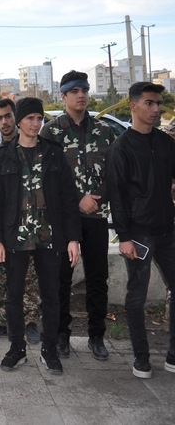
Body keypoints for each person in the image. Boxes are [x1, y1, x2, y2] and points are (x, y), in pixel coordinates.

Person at [0, 97, 81, 375]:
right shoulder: (3, 156)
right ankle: (17, 348)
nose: (36, 123)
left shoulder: (54, 153)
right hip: (15, 239)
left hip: (49, 238)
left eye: (39, 118)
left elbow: (68, 198)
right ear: (19, 121)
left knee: (51, 296)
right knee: (13, 296)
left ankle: (49, 349)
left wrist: (73, 238)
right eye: (30, 118)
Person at [40, 70, 115, 361]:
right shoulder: (51, 132)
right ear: (63, 96)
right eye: (74, 91)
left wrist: (97, 199)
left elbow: (114, 173)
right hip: (63, 219)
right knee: (60, 279)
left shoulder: (104, 131)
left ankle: (97, 335)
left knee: (98, 278)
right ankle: (61, 334)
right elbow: (47, 177)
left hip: (96, 216)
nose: (81, 95)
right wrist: (78, 198)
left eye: (84, 90)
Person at [106, 81, 175, 379]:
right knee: (137, 296)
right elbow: (117, 197)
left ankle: (173, 354)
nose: (155, 109)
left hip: (168, 230)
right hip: (139, 235)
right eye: (149, 103)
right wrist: (125, 237)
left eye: (157, 103)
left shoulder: (166, 143)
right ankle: (141, 357)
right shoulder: (120, 149)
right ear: (132, 106)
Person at [0, 98, 42, 344]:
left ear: (16, 117)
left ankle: (31, 322)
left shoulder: (31, 144)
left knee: (30, 277)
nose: (4, 122)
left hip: (28, 224)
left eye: (8, 116)